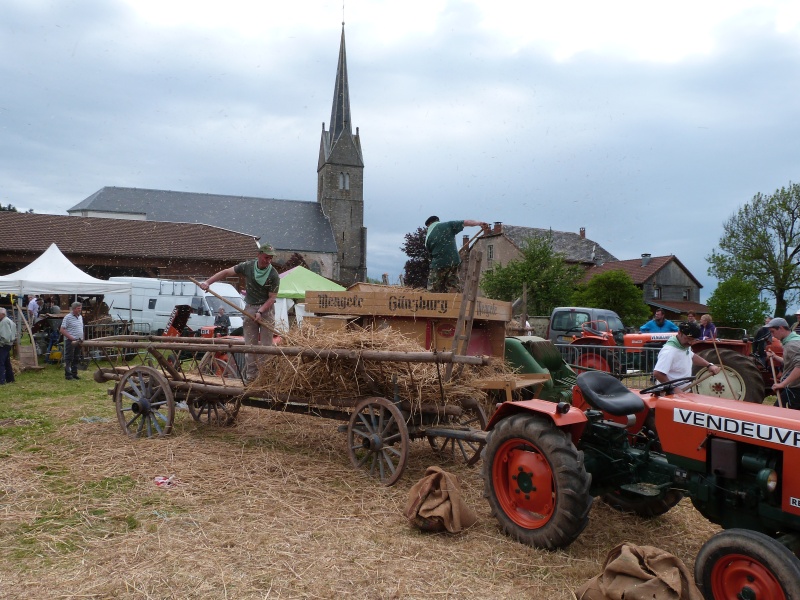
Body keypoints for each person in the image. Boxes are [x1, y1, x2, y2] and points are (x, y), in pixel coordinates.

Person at [199, 242, 281, 382]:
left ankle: (266, 378)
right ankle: (251, 377)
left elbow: (272, 298)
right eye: (266, 257)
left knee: (267, 347)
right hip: (250, 307)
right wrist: (208, 282)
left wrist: (260, 311)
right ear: (259, 255)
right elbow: (226, 272)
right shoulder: (248, 266)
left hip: (266, 310)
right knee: (250, 346)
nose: (268, 261)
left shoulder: (273, 275)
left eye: (270, 258)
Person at [424, 216, 489, 293]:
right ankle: (454, 301)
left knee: (432, 289)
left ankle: (433, 302)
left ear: (430, 224)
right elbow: (465, 222)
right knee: (452, 286)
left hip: (438, 263)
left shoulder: (428, 237)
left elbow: (430, 255)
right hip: (454, 261)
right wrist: (480, 223)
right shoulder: (448, 225)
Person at [653, 321, 721, 384]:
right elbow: (658, 373)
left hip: (682, 393)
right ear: (679, 333)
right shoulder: (669, 351)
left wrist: (709, 365)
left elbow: (691, 356)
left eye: (694, 340)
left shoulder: (684, 346)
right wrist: (673, 389)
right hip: (669, 395)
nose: (691, 342)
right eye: (688, 338)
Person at [766, 317, 800, 409]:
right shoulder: (791, 341)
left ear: (781, 328)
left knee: (780, 414)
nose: (772, 335)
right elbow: (791, 363)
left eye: (773, 331)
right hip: (793, 387)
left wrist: (783, 384)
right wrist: (775, 357)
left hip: (795, 389)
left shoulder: (792, 344)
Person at [59, 301, 84, 380]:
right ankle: (68, 375)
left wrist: (82, 337)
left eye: (80, 308)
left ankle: (74, 373)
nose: (80, 310)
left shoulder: (80, 317)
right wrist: (71, 338)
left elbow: (81, 328)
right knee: (69, 357)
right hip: (71, 341)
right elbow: (62, 330)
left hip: (79, 340)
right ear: (73, 309)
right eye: (78, 308)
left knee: (76, 357)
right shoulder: (68, 317)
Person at [0, 307, 17, 384]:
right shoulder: (9, 321)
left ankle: (1, 380)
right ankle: (10, 379)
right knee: (7, 363)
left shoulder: (4, 322)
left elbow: (5, 336)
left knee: (1, 362)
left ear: (2, 314)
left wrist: (1, 342)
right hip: (8, 344)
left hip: (3, 345)